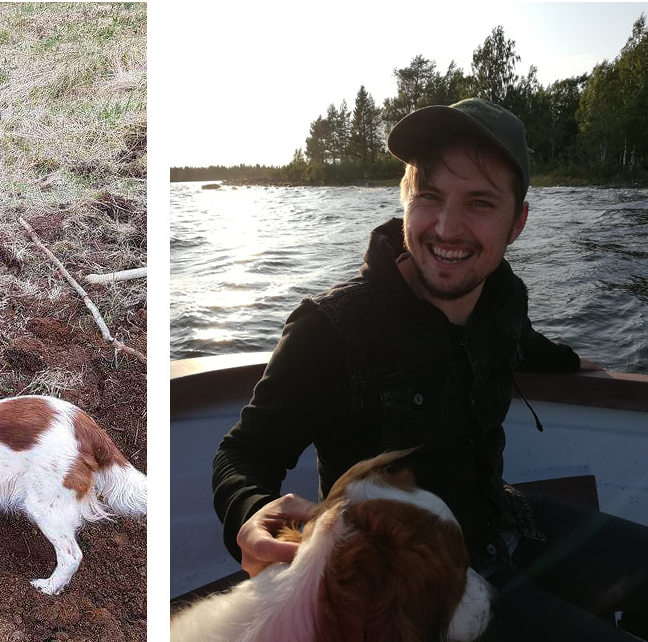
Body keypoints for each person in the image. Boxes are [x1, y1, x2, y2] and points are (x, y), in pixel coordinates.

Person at [212, 98, 647, 640]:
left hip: (505, 523)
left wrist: (580, 364)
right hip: (411, 589)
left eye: (480, 203)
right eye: (430, 196)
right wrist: (248, 514)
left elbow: (523, 345)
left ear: (518, 222)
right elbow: (244, 453)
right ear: (405, 203)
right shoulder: (330, 332)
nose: (446, 227)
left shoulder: (500, 302)